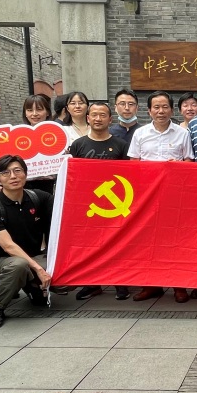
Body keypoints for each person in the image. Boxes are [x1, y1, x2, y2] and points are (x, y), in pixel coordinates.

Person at [128, 91, 193, 302]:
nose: (161, 111)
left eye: (165, 107)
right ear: (149, 111)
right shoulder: (140, 134)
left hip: (175, 197)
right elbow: (133, 165)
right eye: (156, 107)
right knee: (148, 242)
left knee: (176, 241)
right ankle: (151, 285)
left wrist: (178, 167)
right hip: (147, 198)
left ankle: (179, 286)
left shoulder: (183, 133)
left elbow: (190, 162)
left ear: (172, 110)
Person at [0, 154, 53, 330]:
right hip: (2, 261)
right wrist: (39, 269)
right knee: (19, 265)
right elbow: (8, 246)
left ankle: (31, 286)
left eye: (17, 171)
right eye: (5, 173)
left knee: (58, 276)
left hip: (33, 257)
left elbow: (65, 209)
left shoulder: (39, 197)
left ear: (26, 174)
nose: (13, 176)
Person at [68, 101, 131, 302]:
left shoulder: (121, 145)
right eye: (94, 115)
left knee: (117, 243)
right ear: (88, 118)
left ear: (110, 119)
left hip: (115, 204)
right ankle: (92, 283)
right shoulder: (78, 145)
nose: (98, 119)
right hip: (87, 205)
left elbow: (128, 176)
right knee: (89, 245)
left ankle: (120, 281)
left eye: (103, 115)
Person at [20, 93, 57, 195]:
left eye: (39, 109)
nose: (34, 114)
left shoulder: (57, 133)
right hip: (24, 183)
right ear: (25, 113)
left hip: (48, 184)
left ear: (47, 112)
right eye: (30, 110)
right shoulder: (19, 134)